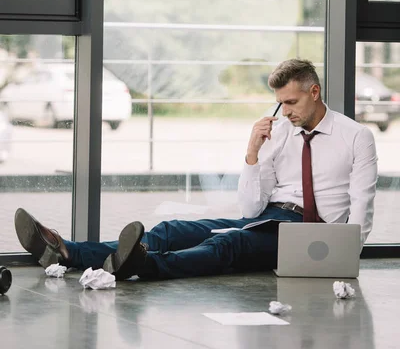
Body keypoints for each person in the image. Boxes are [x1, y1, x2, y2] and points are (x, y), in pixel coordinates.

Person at [14, 59, 378, 281]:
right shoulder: (280, 131)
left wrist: (344, 257)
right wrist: (252, 153)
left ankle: (145, 266)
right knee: (174, 229)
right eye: (280, 103)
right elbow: (251, 209)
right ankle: (69, 251)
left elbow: (362, 204)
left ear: (314, 92)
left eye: (292, 102)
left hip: (311, 233)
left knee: (230, 242)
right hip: (268, 218)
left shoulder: (356, 137)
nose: (285, 112)